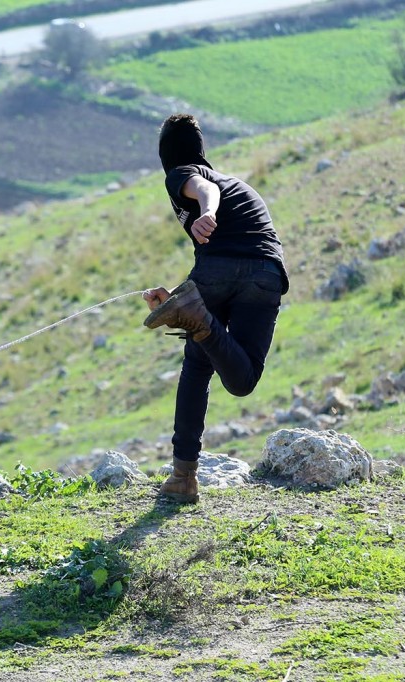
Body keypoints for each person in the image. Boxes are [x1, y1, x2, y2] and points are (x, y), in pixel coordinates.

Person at [143, 113, 289, 503]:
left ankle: (183, 477)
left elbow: (202, 188)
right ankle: (201, 320)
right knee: (242, 382)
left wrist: (206, 212)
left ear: (166, 155)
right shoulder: (239, 185)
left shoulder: (182, 175)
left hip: (221, 269)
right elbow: (232, 254)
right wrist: (174, 293)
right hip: (265, 273)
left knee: (196, 366)